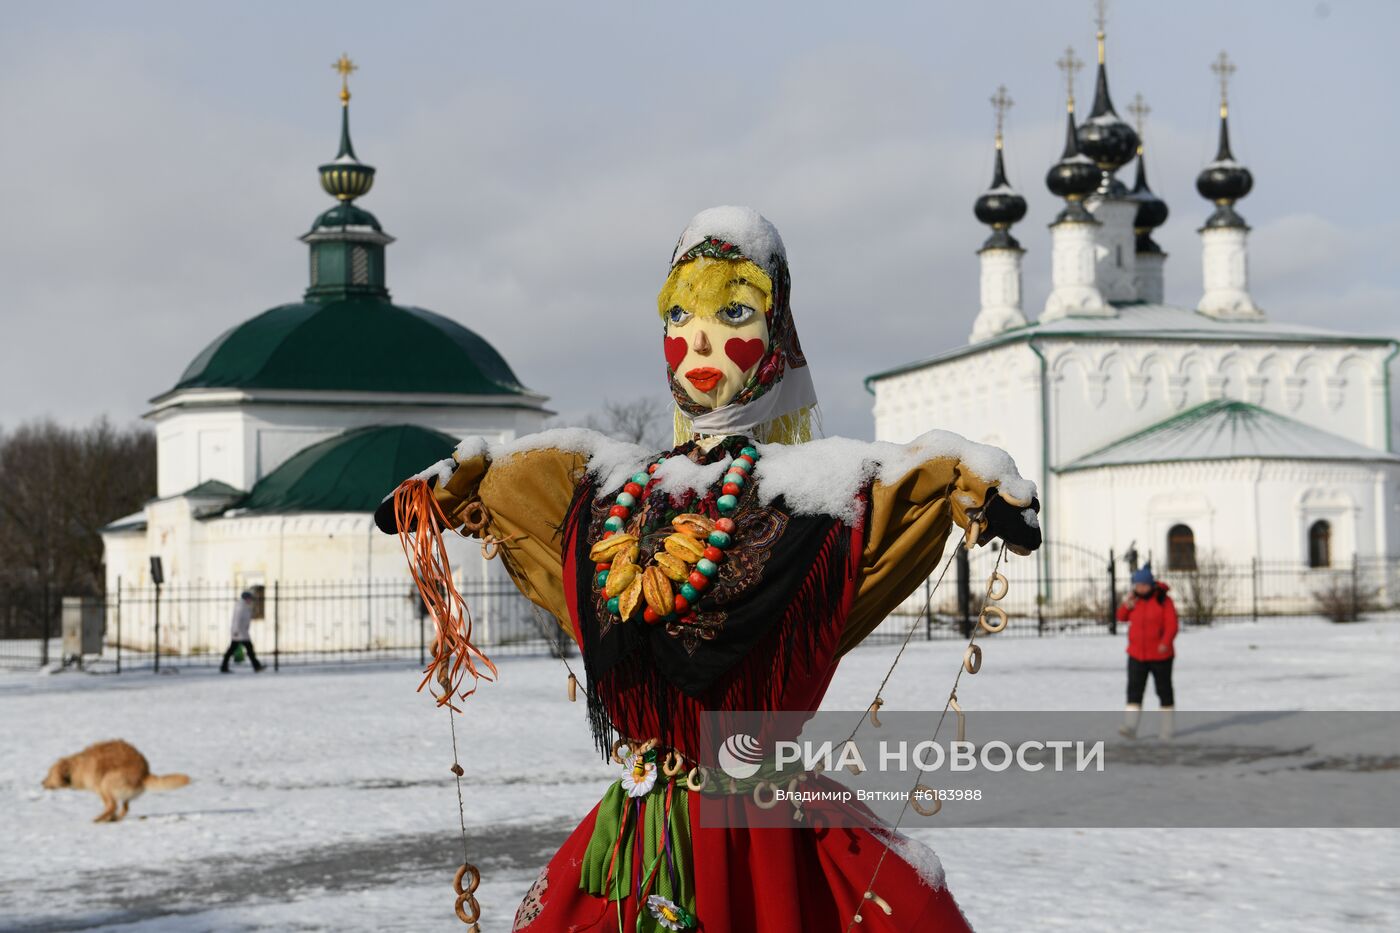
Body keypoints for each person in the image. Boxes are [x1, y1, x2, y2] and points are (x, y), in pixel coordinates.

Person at [378, 207, 1042, 932]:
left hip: (766, 843)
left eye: (733, 311)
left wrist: (976, 481)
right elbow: (522, 482)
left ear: (778, 333)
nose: (701, 337)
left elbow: (917, 476)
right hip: (641, 837)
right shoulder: (611, 489)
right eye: (679, 312)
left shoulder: (820, 494)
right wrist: (453, 487)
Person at [1116, 561, 1177, 740]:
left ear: (1150, 584)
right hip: (1136, 654)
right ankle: (1130, 726)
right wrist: (1126, 606)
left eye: (1143, 585)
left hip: (1161, 655)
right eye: (1137, 585)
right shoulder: (1133, 600)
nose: (1140, 588)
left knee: (1164, 691)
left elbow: (1172, 625)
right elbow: (1120, 617)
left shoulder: (1163, 600)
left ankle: (1167, 729)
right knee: (1134, 690)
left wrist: (1165, 642)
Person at [220, 590, 265, 673]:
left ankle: (257, 666)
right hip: (239, 633)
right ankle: (224, 667)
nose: (251, 600)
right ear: (246, 598)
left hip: (242, 632)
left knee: (246, 649)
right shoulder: (241, 606)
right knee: (234, 650)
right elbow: (236, 619)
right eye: (250, 598)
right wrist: (236, 631)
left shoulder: (245, 606)